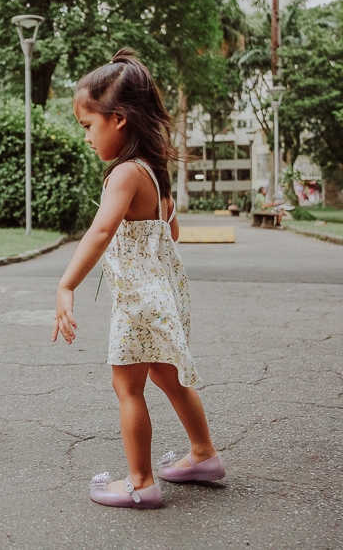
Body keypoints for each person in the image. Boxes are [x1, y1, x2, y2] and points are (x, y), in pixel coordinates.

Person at [53, 48, 224, 510]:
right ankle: (203, 454)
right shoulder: (154, 173)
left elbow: (102, 230)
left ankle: (141, 482)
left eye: (88, 125)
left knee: (127, 388)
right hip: (161, 300)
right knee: (169, 380)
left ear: (119, 119)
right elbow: (170, 236)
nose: (86, 136)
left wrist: (66, 284)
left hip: (138, 304)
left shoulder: (126, 174)